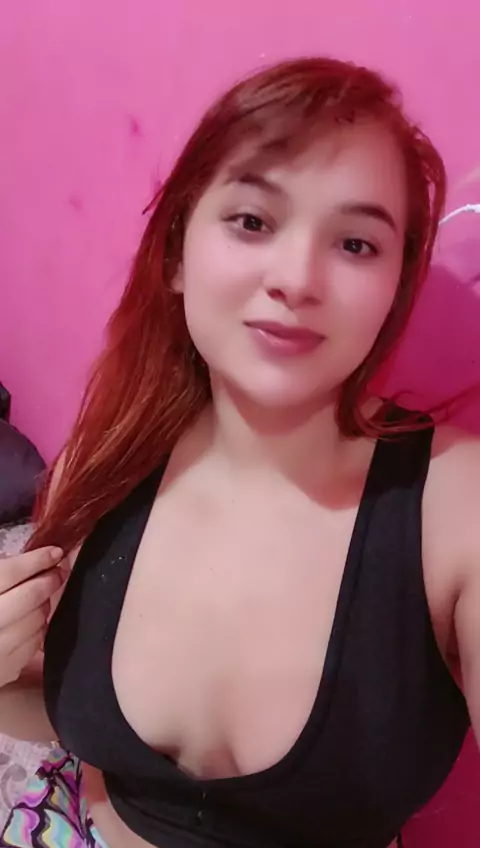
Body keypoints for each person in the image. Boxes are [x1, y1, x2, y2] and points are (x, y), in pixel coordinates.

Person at [0, 55, 477, 848]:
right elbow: (69, 713)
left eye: (356, 243)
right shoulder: (112, 455)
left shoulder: (454, 509)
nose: (296, 278)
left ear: (397, 285)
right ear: (177, 254)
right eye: (253, 222)